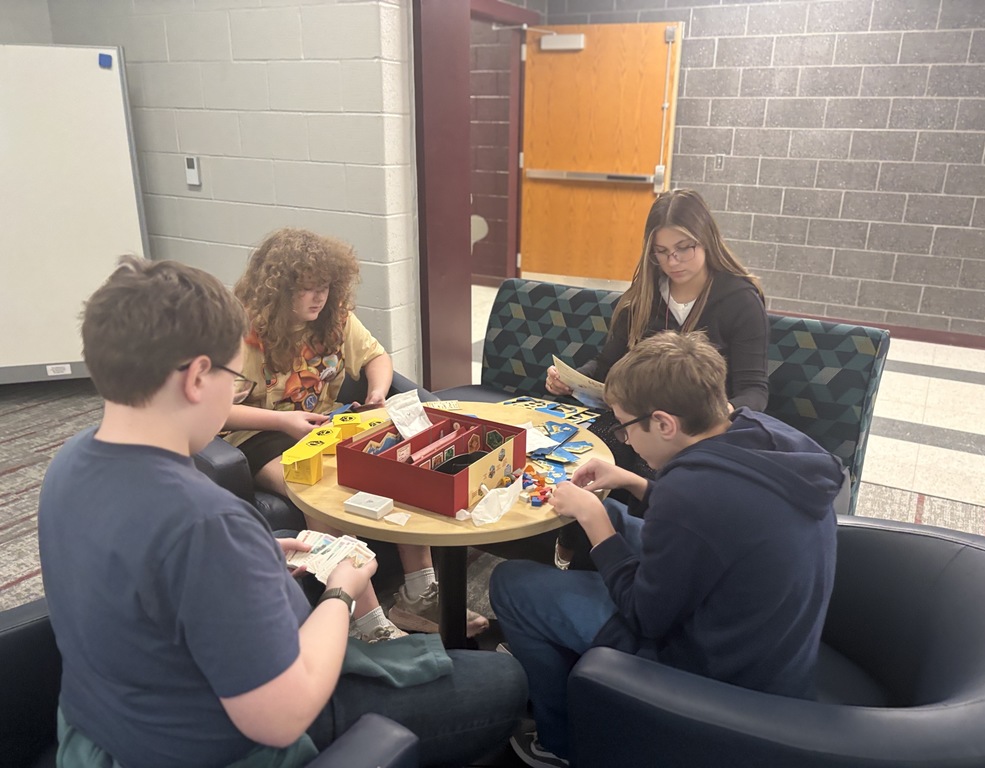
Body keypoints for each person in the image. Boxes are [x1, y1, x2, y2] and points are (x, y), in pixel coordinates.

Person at [38, 257, 526, 768]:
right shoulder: (207, 523)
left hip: (107, 725)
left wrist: (255, 555)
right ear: (198, 377)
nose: (235, 393)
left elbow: (145, 582)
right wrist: (342, 590)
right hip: (223, 745)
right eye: (235, 378)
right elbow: (280, 719)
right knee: (505, 680)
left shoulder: (69, 463)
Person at [491, 330, 842, 767]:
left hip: (716, 668)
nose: (624, 440)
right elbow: (714, 522)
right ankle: (580, 673)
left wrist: (595, 520)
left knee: (512, 583)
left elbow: (645, 616)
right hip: (770, 643)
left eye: (624, 426)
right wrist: (634, 482)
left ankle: (557, 743)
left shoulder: (691, 491)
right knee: (613, 513)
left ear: (663, 423)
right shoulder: (763, 432)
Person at [222, 228, 488, 641]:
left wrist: (378, 393)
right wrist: (284, 422)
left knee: (396, 467)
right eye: (307, 289)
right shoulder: (242, 334)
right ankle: (367, 621)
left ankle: (418, 595)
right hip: (260, 433)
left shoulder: (335, 318)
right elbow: (217, 409)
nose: (319, 298)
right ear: (278, 290)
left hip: (325, 422)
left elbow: (376, 357)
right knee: (320, 489)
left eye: (325, 287)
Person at [545, 189, 770, 568]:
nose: (673, 261)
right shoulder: (642, 296)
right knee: (591, 455)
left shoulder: (739, 299)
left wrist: (717, 416)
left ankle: (649, 566)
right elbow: (607, 366)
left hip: (697, 427)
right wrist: (573, 379)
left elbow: (755, 390)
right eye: (661, 252)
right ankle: (576, 555)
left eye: (684, 248)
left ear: (707, 240)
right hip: (635, 416)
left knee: (662, 471)